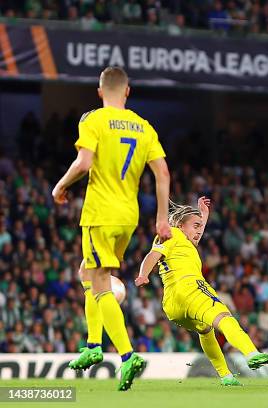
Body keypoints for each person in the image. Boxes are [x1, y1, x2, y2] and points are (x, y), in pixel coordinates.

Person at [52, 66, 171, 391]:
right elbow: (162, 174)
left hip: (100, 213)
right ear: (128, 91)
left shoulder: (94, 120)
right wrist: (162, 217)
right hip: (128, 217)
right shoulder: (143, 126)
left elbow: (84, 162)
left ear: (100, 91)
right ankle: (92, 346)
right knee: (87, 272)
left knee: (99, 280)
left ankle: (126, 355)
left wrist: (60, 186)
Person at [136, 197, 268, 385]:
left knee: (205, 329)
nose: (200, 231)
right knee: (225, 318)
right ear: (181, 226)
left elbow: (187, 236)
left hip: (173, 306)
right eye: (196, 226)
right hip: (190, 289)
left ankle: (226, 376)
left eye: (201, 227)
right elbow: (152, 254)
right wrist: (143, 274)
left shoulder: (184, 242)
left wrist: (204, 215)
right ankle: (252, 354)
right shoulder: (172, 233)